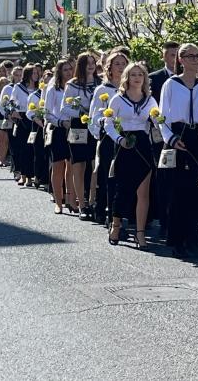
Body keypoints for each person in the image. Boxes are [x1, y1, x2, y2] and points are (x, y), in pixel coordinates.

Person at [158, 43, 198, 259]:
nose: (194, 60)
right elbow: (162, 116)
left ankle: (194, 239)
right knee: (179, 192)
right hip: (179, 136)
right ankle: (177, 239)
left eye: (197, 56)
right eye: (189, 56)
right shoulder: (171, 84)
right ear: (180, 60)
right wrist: (170, 138)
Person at [104, 62, 158, 250]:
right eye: (133, 74)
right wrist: (119, 140)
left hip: (143, 145)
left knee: (143, 193)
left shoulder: (150, 100)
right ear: (127, 78)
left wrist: (159, 121)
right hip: (125, 144)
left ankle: (140, 232)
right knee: (123, 188)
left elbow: (156, 120)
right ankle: (116, 224)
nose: (137, 78)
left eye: (140, 75)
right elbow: (108, 124)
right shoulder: (118, 99)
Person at [90, 52, 128, 225]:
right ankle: (103, 210)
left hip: (126, 136)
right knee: (107, 176)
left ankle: (119, 214)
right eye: (117, 64)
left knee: (122, 178)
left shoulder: (129, 88)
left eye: (123, 64)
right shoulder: (102, 89)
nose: (120, 67)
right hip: (108, 137)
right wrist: (101, 128)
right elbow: (93, 117)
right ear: (109, 68)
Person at [61, 52, 100, 220]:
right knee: (79, 165)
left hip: (95, 126)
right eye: (87, 63)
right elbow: (65, 108)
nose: (90, 65)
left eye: (93, 62)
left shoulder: (101, 83)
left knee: (95, 165)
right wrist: (81, 111)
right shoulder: (73, 84)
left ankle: (93, 201)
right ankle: (81, 205)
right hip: (78, 125)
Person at [149, 41, 179, 238]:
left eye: (178, 55)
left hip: (181, 135)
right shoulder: (155, 78)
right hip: (159, 133)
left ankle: (175, 218)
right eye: (171, 55)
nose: (175, 59)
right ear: (164, 57)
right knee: (161, 176)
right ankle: (161, 217)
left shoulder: (190, 80)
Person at [45, 60, 77, 214]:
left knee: (72, 165)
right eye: (65, 70)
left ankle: (71, 199)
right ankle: (58, 201)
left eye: (71, 69)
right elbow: (47, 113)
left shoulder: (75, 88)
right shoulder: (53, 90)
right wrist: (59, 122)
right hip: (58, 129)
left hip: (74, 129)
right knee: (58, 166)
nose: (69, 72)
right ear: (60, 72)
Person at [9, 64, 39, 187]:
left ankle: (35, 175)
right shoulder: (18, 87)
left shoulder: (40, 89)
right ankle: (24, 176)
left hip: (36, 118)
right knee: (23, 148)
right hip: (22, 119)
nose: (36, 75)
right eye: (34, 73)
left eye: (37, 73)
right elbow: (11, 101)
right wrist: (13, 111)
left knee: (34, 149)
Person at [26, 68, 49, 188]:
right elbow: (29, 112)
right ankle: (37, 176)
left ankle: (45, 179)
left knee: (47, 154)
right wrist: (39, 121)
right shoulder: (35, 95)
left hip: (49, 126)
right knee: (38, 153)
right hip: (38, 126)